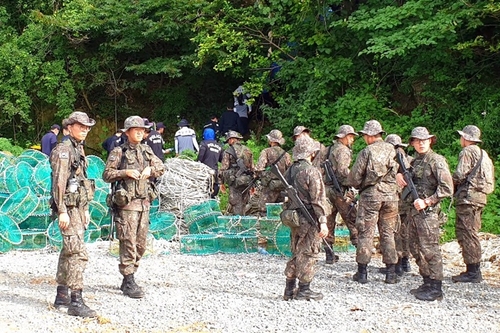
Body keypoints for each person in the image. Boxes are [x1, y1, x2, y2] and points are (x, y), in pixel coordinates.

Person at [102, 116, 166, 298]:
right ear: (127, 132)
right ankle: (128, 278)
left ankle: (130, 275)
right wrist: (125, 172)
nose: (140, 132)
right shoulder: (118, 151)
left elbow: (161, 167)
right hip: (127, 204)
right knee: (128, 241)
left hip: (144, 203)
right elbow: (106, 174)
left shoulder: (147, 150)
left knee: (141, 244)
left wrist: (150, 171)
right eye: (136, 129)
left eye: (142, 130)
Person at [396, 127, 453, 301]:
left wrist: (427, 201)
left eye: (424, 140)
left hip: (428, 214)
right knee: (414, 247)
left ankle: (436, 287)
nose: (421, 143)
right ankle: (427, 281)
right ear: (412, 143)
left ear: (430, 141)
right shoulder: (415, 162)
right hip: (413, 213)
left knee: (430, 250)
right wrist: (400, 176)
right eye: (417, 140)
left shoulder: (436, 161)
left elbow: (447, 188)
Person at [50, 111, 97, 318]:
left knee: (68, 251)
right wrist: (62, 211)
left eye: (87, 127)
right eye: (81, 126)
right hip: (67, 209)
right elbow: (59, 184)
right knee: (77, 253)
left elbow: (81, 181)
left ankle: (62, 295)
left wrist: (85, 208)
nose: (85, 130)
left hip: (77, 208)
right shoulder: (64, 150)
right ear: (69, 128)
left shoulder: (78, 149)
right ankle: (76, 301)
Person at [348, 120, 399, 284]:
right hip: (391, 197)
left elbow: (355, 177)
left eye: (364, 135)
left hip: (371, 196)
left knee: (365, 232)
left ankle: (362, 273)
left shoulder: (367, 151)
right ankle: (391, 273)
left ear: (369, 136)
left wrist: (357, 185)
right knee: (388, 233)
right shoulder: (393, 149)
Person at [282, 136, 329, 301]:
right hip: (309, 219)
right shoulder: (311, 171)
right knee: (309, 253)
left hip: (294, 218)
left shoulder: (291, 170)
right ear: (312, 153)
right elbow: (318, 199)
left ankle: (289, 289)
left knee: (296, 252)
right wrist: (323, 222)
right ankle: (304, 290)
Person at [452, 125, 495, 283]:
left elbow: (459, 174)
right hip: (480, 198)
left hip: (468, 198)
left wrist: (449, 184)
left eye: (462, 136)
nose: (460, 139)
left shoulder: (467, 152)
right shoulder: (484, 154)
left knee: (465, 232)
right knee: (473, 231)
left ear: (466, 139)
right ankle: (473, 269)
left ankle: (472, 271)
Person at [323, 125, 359, 265]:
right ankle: (361, 254)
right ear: (343, 137)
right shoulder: (343, 150)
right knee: (352, 219)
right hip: (340, 191)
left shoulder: (328, 149)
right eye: (350, 136)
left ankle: (329, 254)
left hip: (327, 189)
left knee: (329, 221)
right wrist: (354, 183)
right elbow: (343, 171)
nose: (352, 140)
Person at [384, 134, 412, 276]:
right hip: (405, 199)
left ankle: (399, 263)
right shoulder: (404, 155)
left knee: (397, 230)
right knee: (404, 230)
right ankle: (404, 261)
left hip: (399, 199)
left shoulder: (396, 155)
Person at [254, 129, 292, 216]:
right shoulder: (286, 155)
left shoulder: (266, 152)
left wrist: (263, 178)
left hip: (268, 188)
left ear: (270, 140)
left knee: (264, 211)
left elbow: (259, 168)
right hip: (282, 186)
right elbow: (290, 171)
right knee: (280, 212)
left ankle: (266, 228)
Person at [219, 130, 253, 215]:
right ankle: (245, 222)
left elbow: (223, 168)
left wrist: (221, 183)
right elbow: (252, 168)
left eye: (229, 140)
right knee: (245, 202)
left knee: (235, 203)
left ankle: (238, 224)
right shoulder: (248, 150)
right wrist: (253, 184)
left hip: (235, 181)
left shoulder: (229, 151)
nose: (228, 142)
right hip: (247, 181)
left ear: (232, 139)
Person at [197, 128, 223, 198]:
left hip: (204, 171)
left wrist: (197, 165)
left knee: (204, 189)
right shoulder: (219, 146)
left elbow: (200, 157)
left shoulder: (204, 143)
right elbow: (222, 159)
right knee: (214, 189)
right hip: (215, 170)